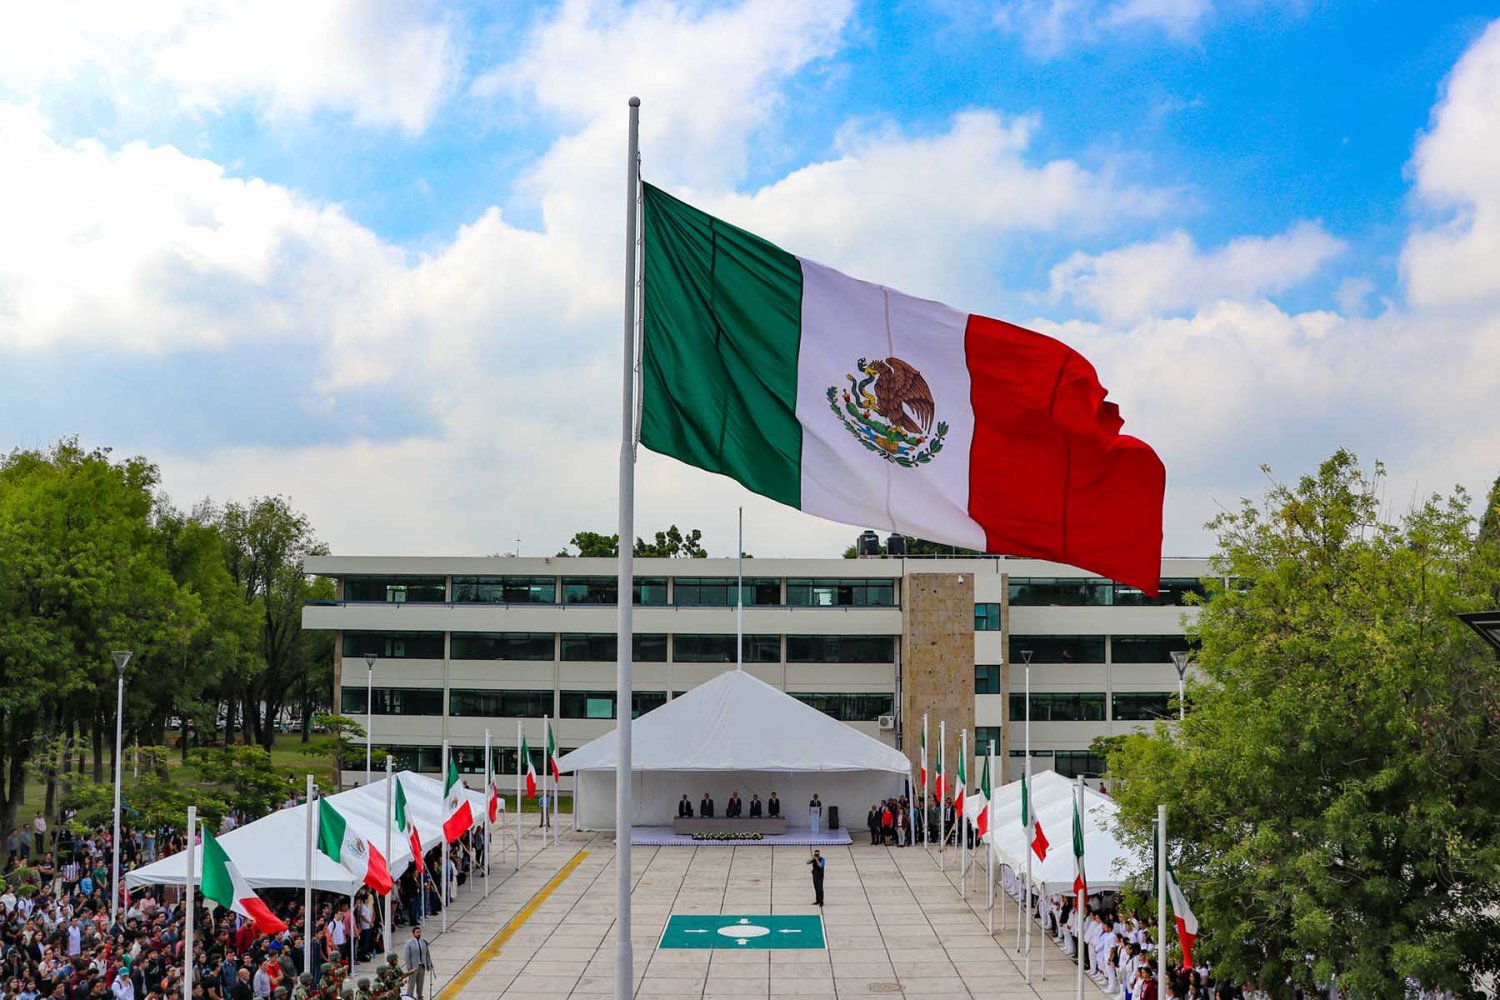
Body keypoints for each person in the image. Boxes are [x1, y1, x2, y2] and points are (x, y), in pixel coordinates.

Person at [402, 926, 433, 999]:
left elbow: (426, 954)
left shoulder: (423, 942)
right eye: (417, 932)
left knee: (420, 983)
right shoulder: (409, 943)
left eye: (419, 932)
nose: (419, 934)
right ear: (413, 934)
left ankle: (419, 996)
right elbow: (406, 957)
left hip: (422, 966)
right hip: (413, 967)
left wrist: (429, 964)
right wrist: (409, 968)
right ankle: (409, 997)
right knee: (411, 984)